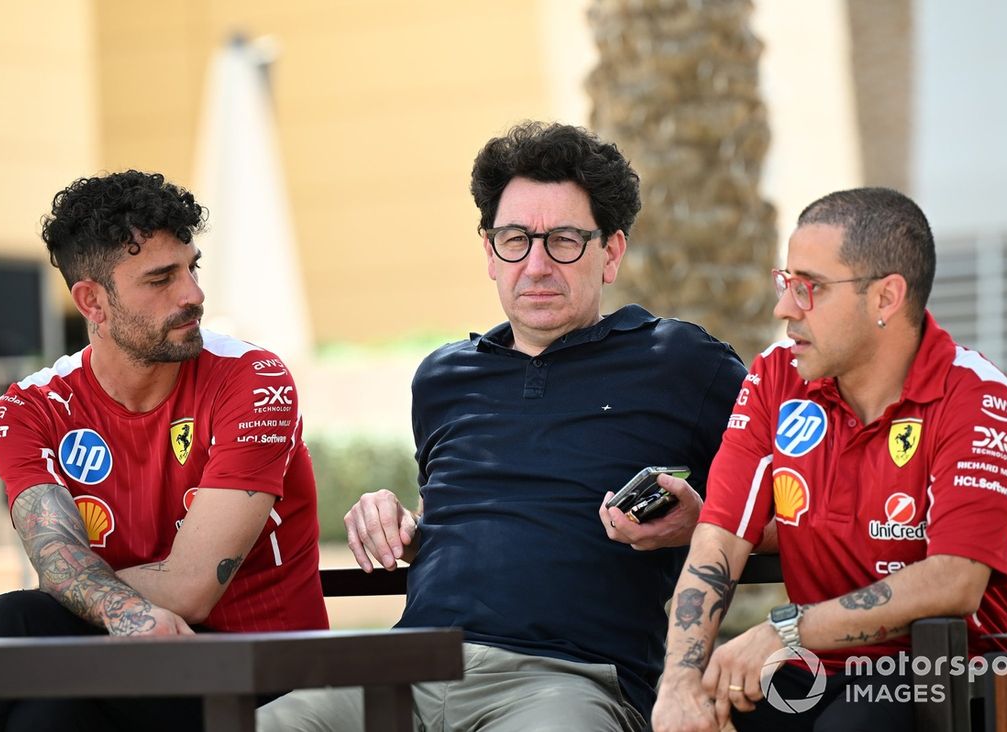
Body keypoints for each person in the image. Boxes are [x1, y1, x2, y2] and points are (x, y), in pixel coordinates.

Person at [258, 122, 747, 731]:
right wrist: (405, 528)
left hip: (566, 682)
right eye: (515, 239)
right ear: (490, 252)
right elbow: (480, 517)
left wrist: (697, 524)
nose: (536, 265)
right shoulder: (442, 377)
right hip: (405, 667)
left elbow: (800, 502)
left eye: (565, 240)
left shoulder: (682, 363)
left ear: (612, 252)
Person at [652, 187, 1007, 732]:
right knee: (700, 710)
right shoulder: (775, 378)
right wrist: (680, 686)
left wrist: (783, 630)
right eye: (786, 283)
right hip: (817, 668)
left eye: (810, 288)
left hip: (954, 666)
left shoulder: (974, 394)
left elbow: (955, 580)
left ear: (885, 298)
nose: (785, 307)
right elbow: (719, 539)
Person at [0, 170, 328, 732]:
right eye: (161, 279)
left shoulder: (254, 380)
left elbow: (189, 590)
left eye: (192, 268)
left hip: (261, 672)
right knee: (48, 710)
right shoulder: (26, 411)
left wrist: (29, 607)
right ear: (92, 301)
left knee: (23, 624)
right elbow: (55, 557)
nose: (194, 295)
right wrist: (87, 598)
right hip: (112, 663)